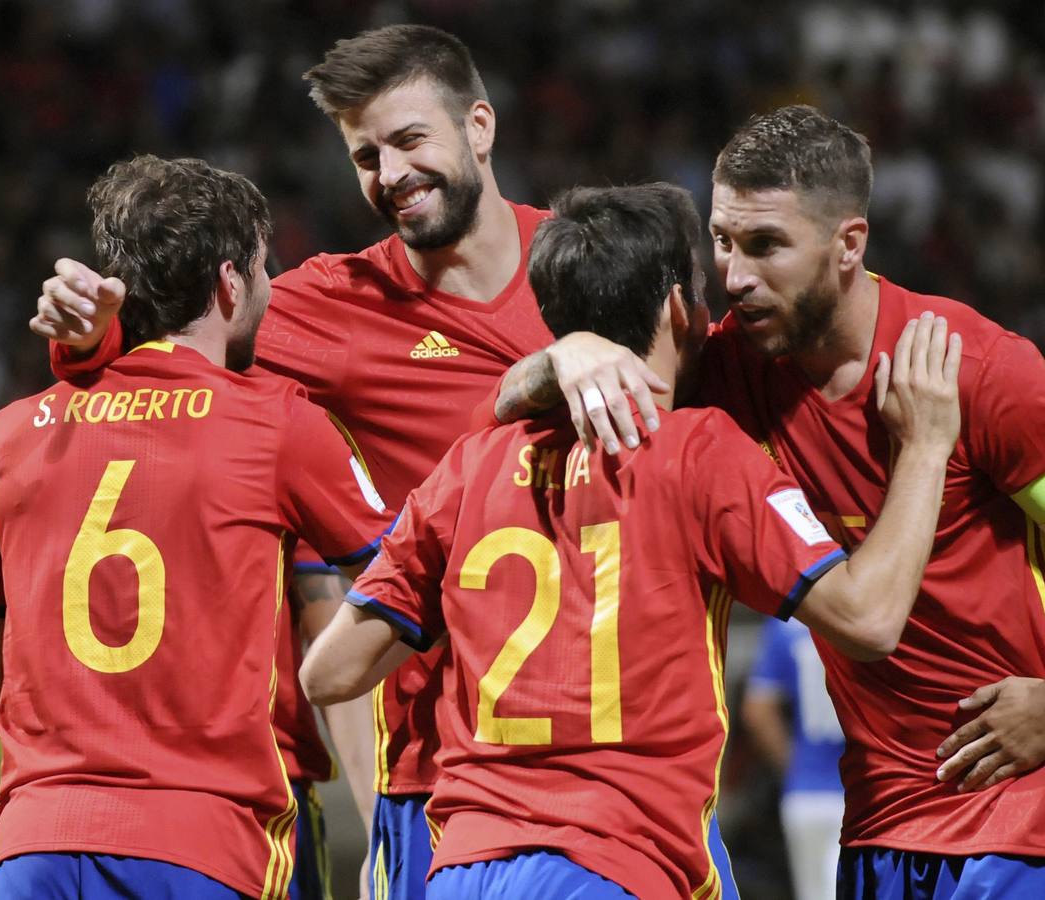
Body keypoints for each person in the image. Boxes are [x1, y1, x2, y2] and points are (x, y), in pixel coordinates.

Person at [28, 24, 721, 900]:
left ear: (480, 126)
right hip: (446, 785)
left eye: (407, 141)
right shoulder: (328, 305)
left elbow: (752, 394)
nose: (387, 175)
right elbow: (162, 370)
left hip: (642, 772)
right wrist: (88, 346)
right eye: (364, 155)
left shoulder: (600, 267)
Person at [490, 105, 1045, 898]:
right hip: (873, 827)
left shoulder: (974, 370)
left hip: (1023, 820)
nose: (734, 276)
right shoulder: (729, 372)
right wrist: (566, 355)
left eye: (764, 245)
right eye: (721, 241)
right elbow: (506, 411)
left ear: (847, 245)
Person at [299, 182, 963, 898]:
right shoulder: (695, 450)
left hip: (464, 869)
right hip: (615, 862)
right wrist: (925, 449)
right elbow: (867, 619)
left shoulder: (467, 467)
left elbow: (327, 676)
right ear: (680, 308)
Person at [0, 155, 397, 899]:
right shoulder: (275, 422)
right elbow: (406, 578)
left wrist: (72, 752)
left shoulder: (13, 430)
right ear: (230, 283)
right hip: (200, 840)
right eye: (264, 267)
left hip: (35, 843)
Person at [742, 617, 846, 900]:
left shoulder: (787, 626)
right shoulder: (880, 616)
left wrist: (795, 768)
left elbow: (757, 709)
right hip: (873, 788)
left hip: (808, 791)